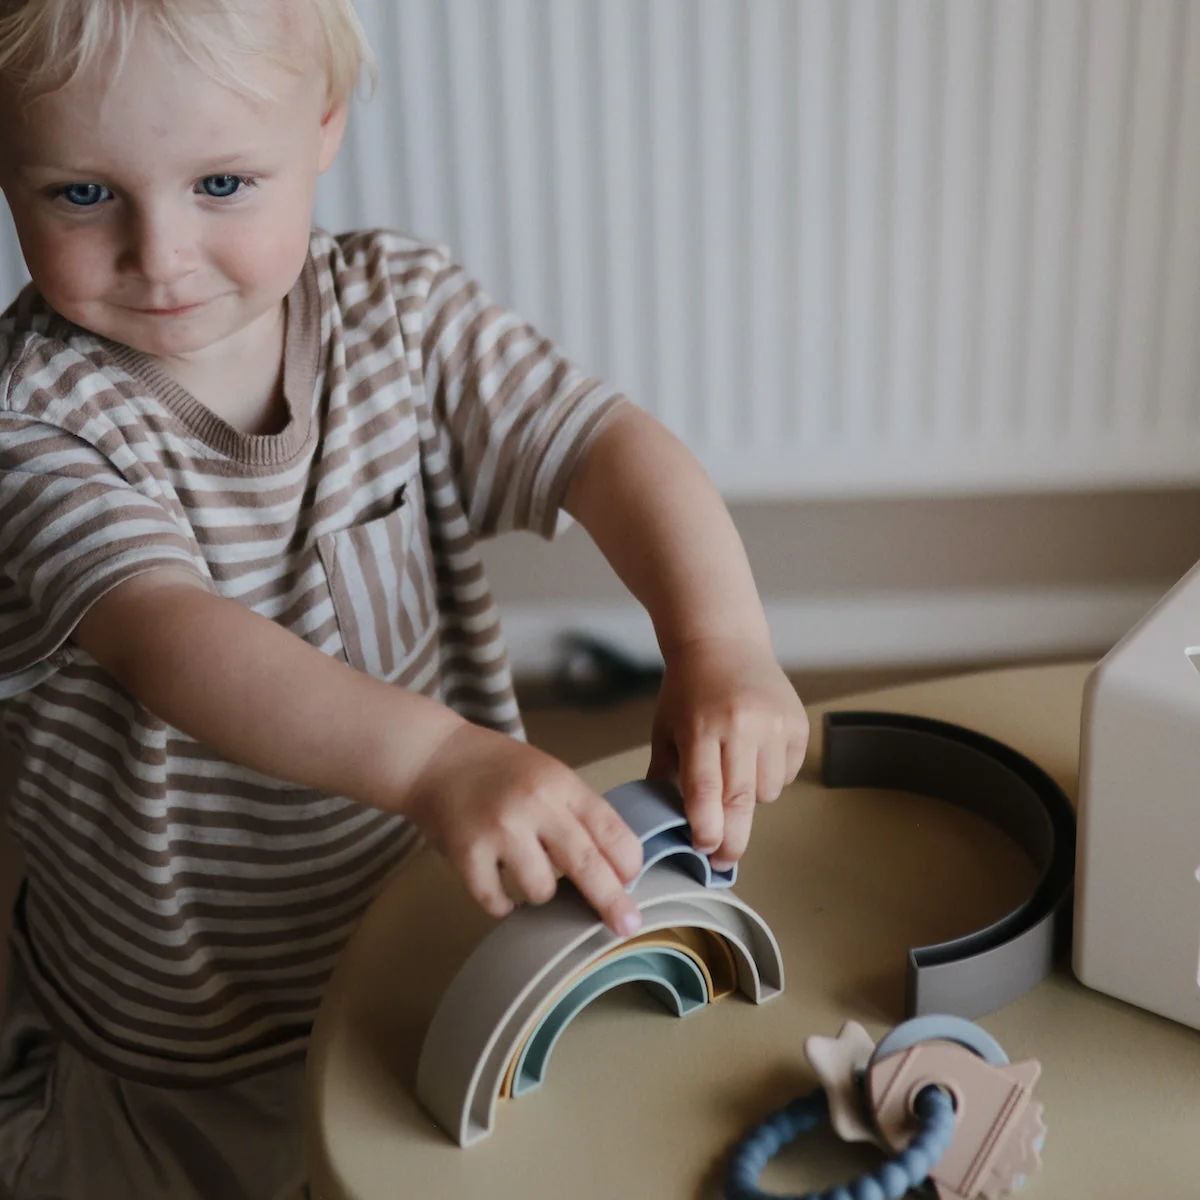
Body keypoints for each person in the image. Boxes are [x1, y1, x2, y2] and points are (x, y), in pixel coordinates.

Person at [0, 1, 809, 1195]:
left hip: (434, 928)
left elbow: (604, 446)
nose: (160, 252)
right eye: (81, 194)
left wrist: (722, 639)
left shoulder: (402, 312)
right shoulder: (33, 420)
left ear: (324, 125)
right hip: (187, 1029)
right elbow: (171, 638)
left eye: (221, 181)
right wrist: (442, 764)